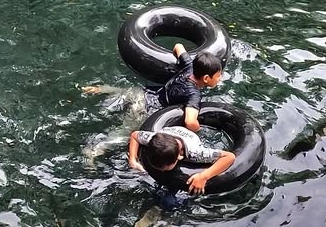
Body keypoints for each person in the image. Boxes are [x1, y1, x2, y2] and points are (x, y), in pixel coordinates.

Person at [81, 45, 224, 131]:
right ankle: (94, 150)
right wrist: (199, 130)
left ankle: (100, 89)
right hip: (146, 109)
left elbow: (178, 46)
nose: (220, 78)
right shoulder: (194, 95)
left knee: (124, 93)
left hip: (142, 93)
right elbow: (190, 121)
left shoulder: (189, 65)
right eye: (218, 75)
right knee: (122, 134)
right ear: (206, 78)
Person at [127, 125, 236, 194]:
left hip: (190, 138)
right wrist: (132, 159)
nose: (162, 171)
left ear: (179, 157)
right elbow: (135, 135)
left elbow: (229, 157)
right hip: (170, 133)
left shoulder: (197, 153)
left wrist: (204, 176)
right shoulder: (152, 138)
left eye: (165, 169)